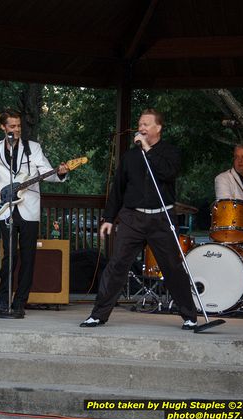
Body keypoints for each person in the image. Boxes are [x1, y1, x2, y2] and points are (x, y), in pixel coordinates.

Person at [80, 109, 198, 330]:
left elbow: (167, 174)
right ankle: (98, 315)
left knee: (172, 267)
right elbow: (118, 189)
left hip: (161, 217)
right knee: (116, 265)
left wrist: (147, 149)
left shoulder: (170, 152)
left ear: (158, 127)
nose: (141, 128)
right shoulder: (130, 156)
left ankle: (190, 316)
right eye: (140, 124)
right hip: (132, 217)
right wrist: (108, 217)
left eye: (146, 124)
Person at [0, 110, 69, 318]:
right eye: (12, 126)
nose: (16, 130)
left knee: (28, 258)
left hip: (29, 208)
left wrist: (61, 173)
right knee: (8, 257)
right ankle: (3, 302)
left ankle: (19, 303)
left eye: (18, 126)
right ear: (3, 127)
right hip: (4, 208)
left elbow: (47, 173)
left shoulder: (33, 148)